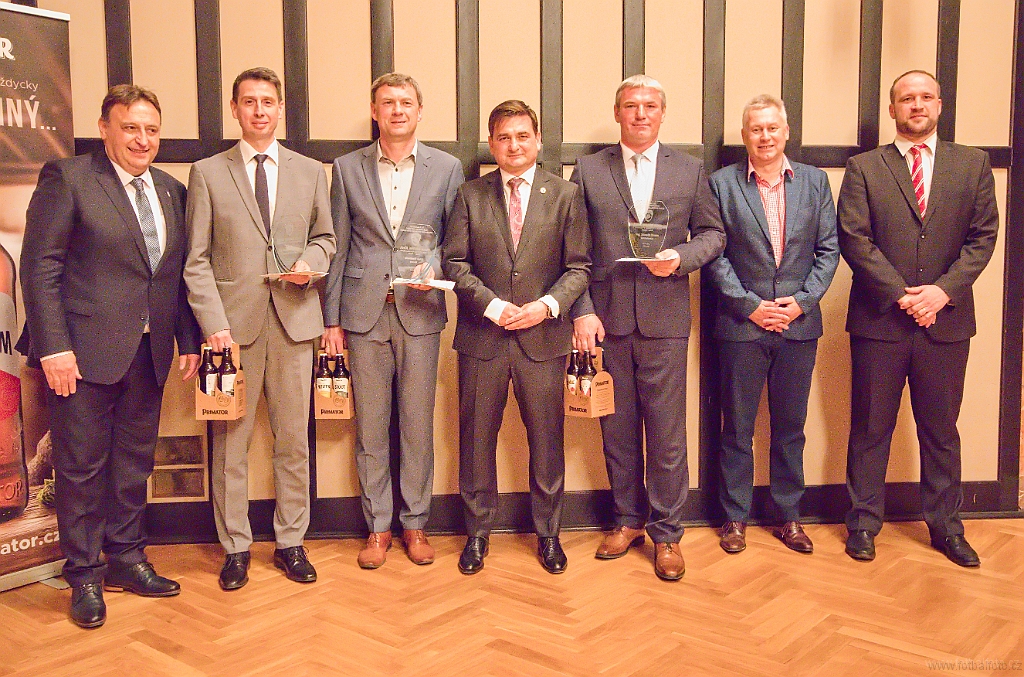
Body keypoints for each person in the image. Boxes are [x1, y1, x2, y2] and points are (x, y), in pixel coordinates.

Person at [18, 85, 201, 628]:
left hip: (149, 353)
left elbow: (173, 276)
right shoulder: (69, 178)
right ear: (105, 129)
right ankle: (84, 575)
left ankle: (126, 558)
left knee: (133, 463)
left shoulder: (170, 190)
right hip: (79, 356)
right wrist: (53, 347)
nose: (142, 140)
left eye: (151, 130)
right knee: (80, 468)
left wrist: (188, 339)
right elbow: (40, 267)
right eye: (130, 128)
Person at [838, 70, 998, 567]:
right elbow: (854, 239)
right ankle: (863, 524)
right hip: (879, 322)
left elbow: (983, 237)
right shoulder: (865, 167)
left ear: (940, 105)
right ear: (892, 109)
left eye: (926, 97)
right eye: (907, 98)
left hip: (946, 323)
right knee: (870, 429)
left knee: (941, 432)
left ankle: (947, 528)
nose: (917, 105)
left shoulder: (973, 164)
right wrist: (903, 296)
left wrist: (942, 292)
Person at [184, 67, 336, 589]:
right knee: (231, 444)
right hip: (230, 333)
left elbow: (326, 238)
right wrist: (214, 325)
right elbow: (196, 260)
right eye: (249, 101)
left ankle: (291, 541)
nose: (259, 110)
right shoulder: (207, 172)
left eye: (268, 101)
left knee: (294, 441)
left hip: (296, 324)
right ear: (235, 109)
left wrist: (310, 264)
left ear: (280, 109)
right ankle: (235, 547)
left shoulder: (310, 171)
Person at [570, 75, 725, 581]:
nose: (640, 114)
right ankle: (627, 520)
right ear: (617, 113)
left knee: (666, 434)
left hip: (665, 319)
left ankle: (667, 533)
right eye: (631, 106)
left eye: (650, 106)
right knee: (615, 430)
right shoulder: (589, 170)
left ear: (662, 113)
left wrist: (680, 257)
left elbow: (713, 234)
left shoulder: (689, 169)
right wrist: (583, 310)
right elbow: (574, 250)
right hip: (606, 319)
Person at [442, 100, 590, 575]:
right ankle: (477, 535)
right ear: (491, 143)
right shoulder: (470, 195)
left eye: (523, 135)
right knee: (476, 441)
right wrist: (493, 306)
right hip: (482, 338)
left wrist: (545, 306)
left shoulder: (565, 195)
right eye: (504, 137)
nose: (514, 145)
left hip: (543, 339)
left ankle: (549, 534)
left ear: (538, 140)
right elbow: (454, 263)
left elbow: (579, 267)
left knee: (547, 441)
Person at [322, 73, 463, 568]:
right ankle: (378, 527)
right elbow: (338, 245)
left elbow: (455, 239)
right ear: (375, 111)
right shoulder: (346, 169)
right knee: (371, 428)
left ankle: (416, 524)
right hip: (363, 314)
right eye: (388, 103)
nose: (398, 110)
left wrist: (436, 269)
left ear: (419, 111)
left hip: (420, 312)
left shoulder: (447, 168)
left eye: (406, 102)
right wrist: (332, 319)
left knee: (418, 425)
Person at [707, 94, 839, 555]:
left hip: (798, 327)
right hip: (742, 326)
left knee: (790, 427)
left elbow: (829, 250)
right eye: (756, 129)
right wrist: (750, 305)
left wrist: (801, 303)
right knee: (737, 429)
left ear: (786, 132)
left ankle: (789, 516)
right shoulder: (721, 184)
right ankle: (735, 518)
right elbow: (715, 254)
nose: (765, 136)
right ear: (745, 136)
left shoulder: (815, 182)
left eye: (772, 128)